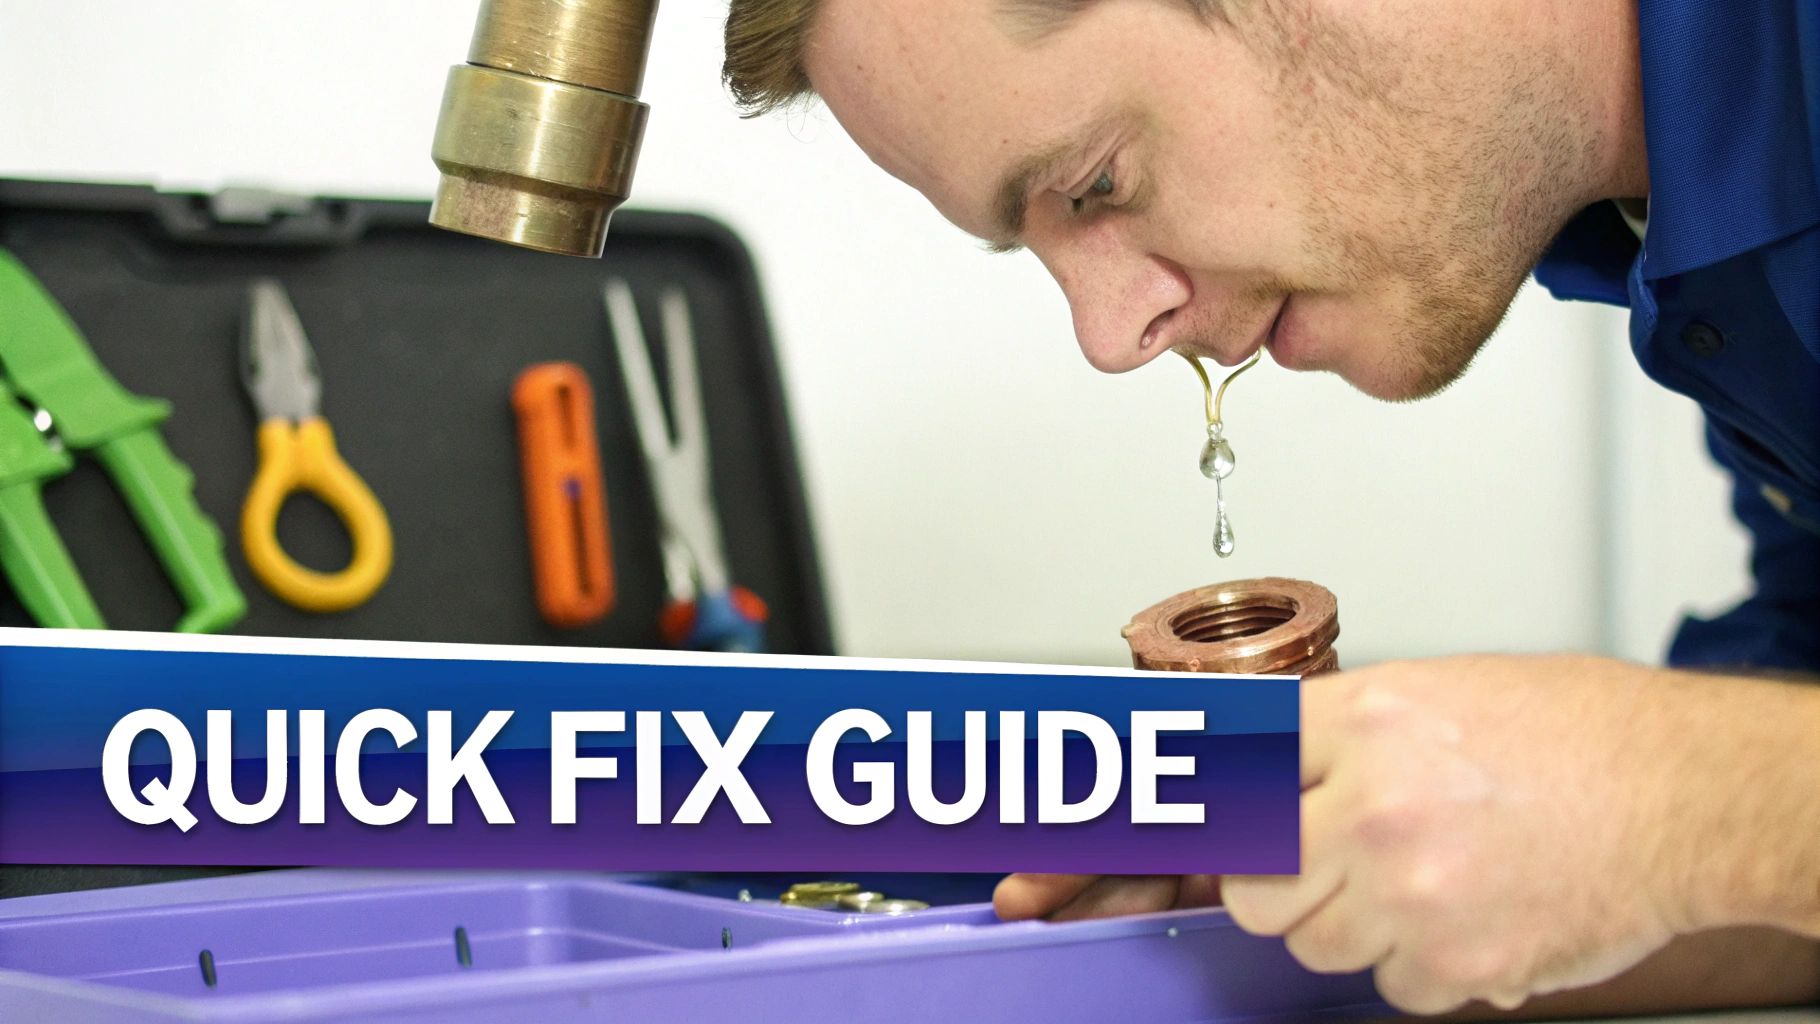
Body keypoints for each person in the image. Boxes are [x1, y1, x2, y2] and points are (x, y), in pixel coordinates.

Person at [720, 0, 1820, 1016]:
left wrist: (1683, 796)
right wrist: (1349, 891)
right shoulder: (1690, 253)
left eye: (1096, 182)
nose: (1109, 334)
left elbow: (1736, 812)